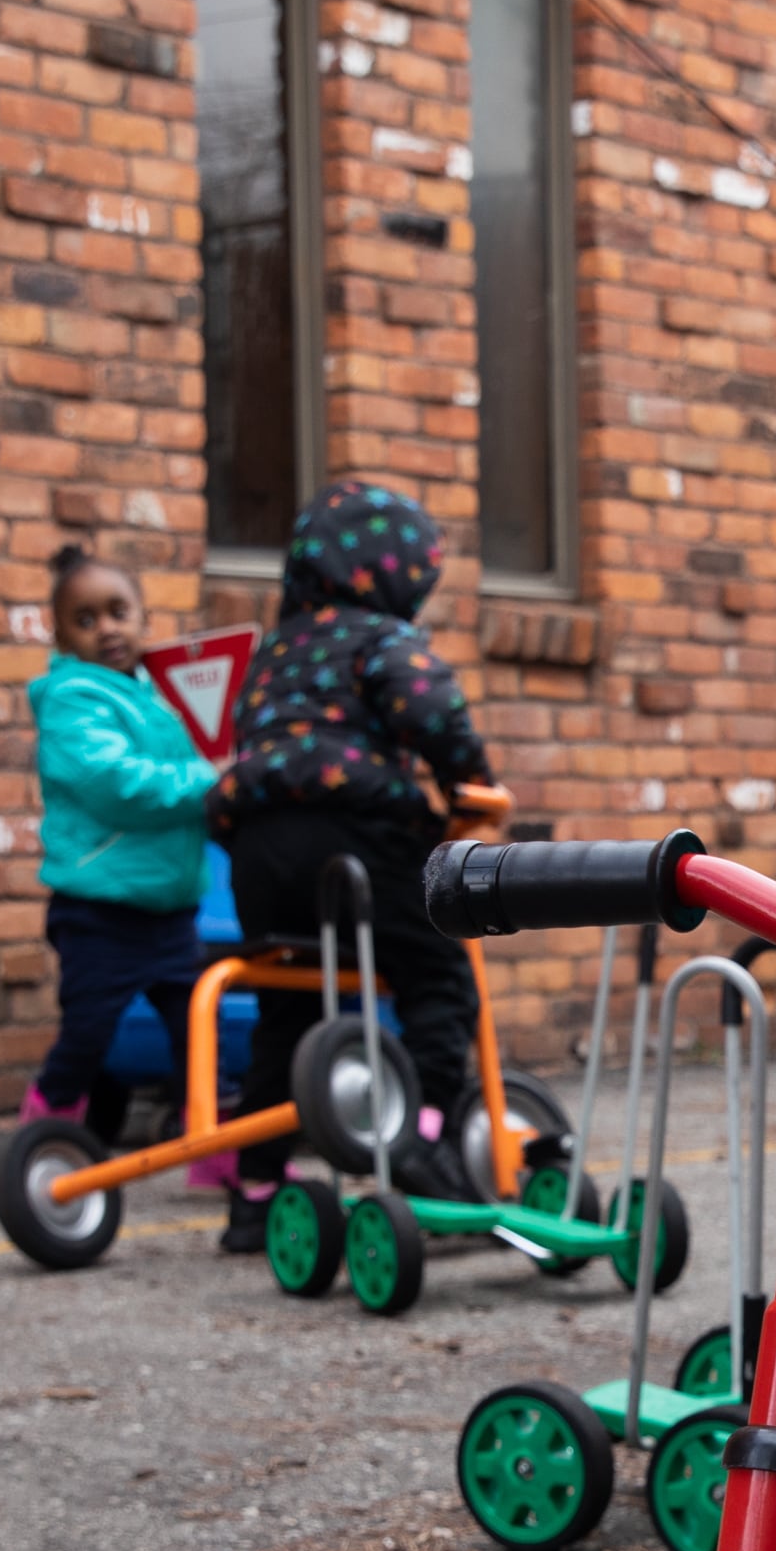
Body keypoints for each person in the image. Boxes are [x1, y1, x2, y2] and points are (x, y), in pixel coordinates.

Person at [215, 481, 499, 1227]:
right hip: (354, 835)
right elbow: (428, 705)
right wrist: (469, 780)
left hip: (257, 848)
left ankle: (256, 1191)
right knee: (437, 975)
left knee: (289, 1006)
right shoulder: (380, 637)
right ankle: (426, 1133)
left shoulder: (274, 653)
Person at [24, 546, 220, 1156]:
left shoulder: (156, 696)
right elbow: (118, 784)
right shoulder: (72, 699)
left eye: (118, 612)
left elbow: (198, 756)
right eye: (86, 619)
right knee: (87, 1032)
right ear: (60, 635)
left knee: (196, 1032)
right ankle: (43, 1135)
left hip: (169, 908)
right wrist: (214, 782)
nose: (107, 628)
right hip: (99, 911)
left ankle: (209, 1143)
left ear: (143, 618)